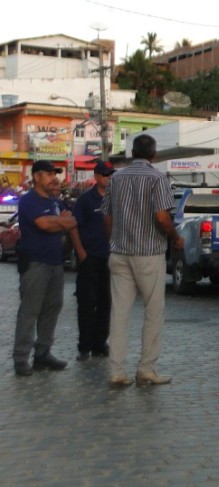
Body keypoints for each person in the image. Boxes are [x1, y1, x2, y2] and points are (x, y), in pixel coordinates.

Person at [102, 135, 184, 387]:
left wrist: (114, 240)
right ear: (153, 154)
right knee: (153, 311)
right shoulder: (158, 178)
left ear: (132, 153)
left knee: (119, 313)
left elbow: (106, 216)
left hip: (120, 252)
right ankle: (146, 369)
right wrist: (175, 237)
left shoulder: (116, 178)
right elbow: (161, 217)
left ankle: (116, 371)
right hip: (148, 253)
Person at [13, 160, 77, 376]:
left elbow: (73, 221)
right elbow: (44, 225)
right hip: (35, 263)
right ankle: (21, 358)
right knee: (30, 312)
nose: (54, 178)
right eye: (49, 174)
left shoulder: (56, 201)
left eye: (55, 174)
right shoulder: (29, 201)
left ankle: (43, 354)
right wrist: (60, 221)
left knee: (52, 309)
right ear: (37, 177)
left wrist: (58, 221)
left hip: (55, 262)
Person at [70, 161, 116, 362]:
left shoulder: (116, 199)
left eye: (111, 174)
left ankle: (100, 344)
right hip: (90, 258)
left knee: (106, 302)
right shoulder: (85, 200)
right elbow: (73, 226)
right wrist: (81, 252)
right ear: (96, 176)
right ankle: (84, 346)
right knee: (87, 304)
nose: (109, 177)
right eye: (105, 174)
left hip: (111, 258)